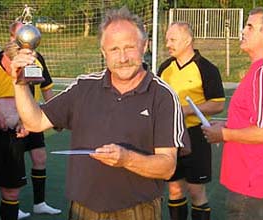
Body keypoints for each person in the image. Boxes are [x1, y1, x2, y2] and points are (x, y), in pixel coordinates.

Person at [11, 6, 190, 220]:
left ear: (144, 46)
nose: (122, 57)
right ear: (103, 52)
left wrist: (126, 159)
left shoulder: (162, 96)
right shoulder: (84, 87)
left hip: (137, 212)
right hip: (82, 211)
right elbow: (34, 122)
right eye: (114, 49)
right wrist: (19, 83)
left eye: (129, 47)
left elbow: (168, 167)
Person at [0, 21, 60, 220]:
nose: (20, 70)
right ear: (6, 58)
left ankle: (39, 203)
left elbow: (29, 97)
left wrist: (25, 120)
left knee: (11, 191)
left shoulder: (29, 68)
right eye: (17, 65)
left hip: (14, 138)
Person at [157, 22, 225, 220]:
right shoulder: (164, 68)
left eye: (173, 39)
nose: (168, 44)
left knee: (196, 192)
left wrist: (184, 110)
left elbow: (218, 104)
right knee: (175, 190)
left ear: (188, 40)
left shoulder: (206, 68)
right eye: (167, 39)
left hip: (196, 135)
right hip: (170, 136)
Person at [202, 7, 263, 219]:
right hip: (247, 184)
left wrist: (224, 135)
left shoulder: (261, 74)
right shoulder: (255, 71)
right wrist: (227, 126)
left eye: (250, 26)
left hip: (252, 185)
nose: (243, 31)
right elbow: (251, 119)